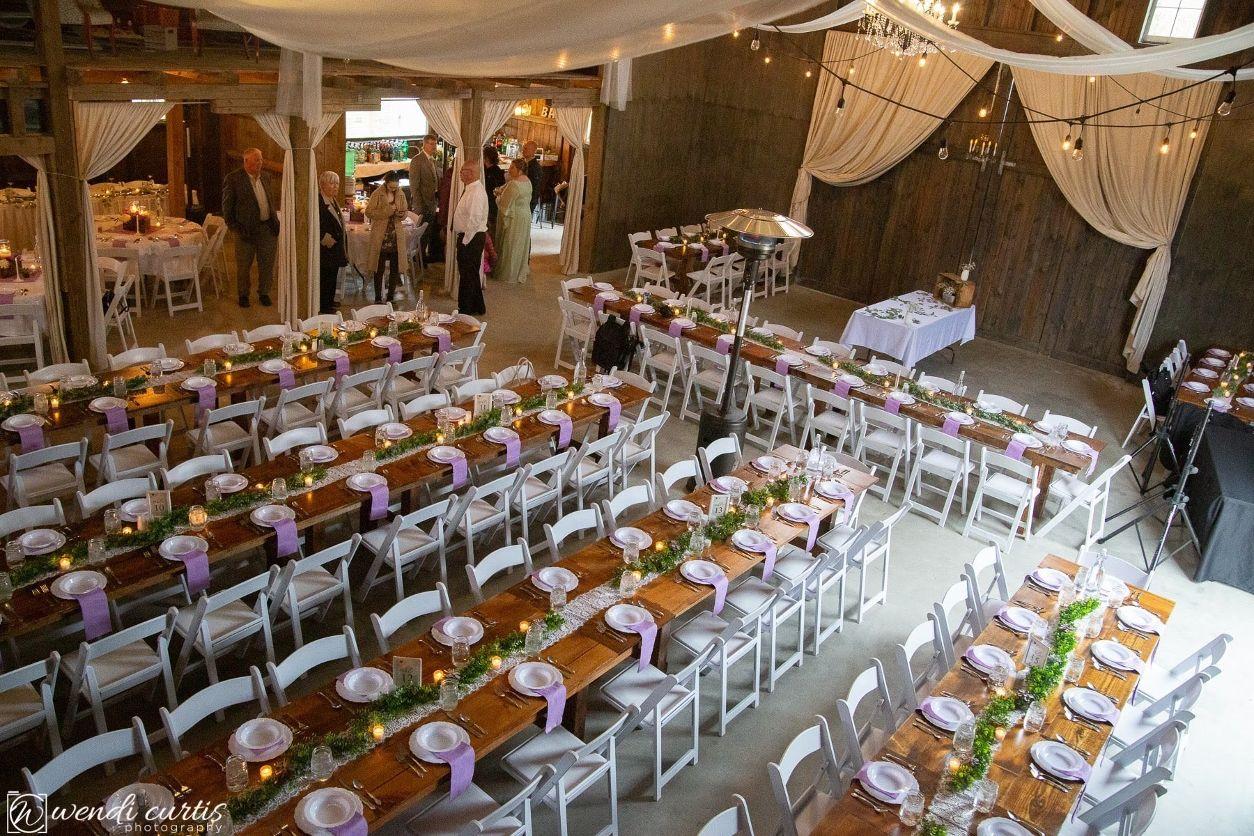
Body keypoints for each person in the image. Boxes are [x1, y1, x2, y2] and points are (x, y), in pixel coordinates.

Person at [222, 147, 279, 308]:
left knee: (267, 263)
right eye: (256, 160)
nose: (260, 163)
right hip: (245, 231)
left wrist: (274, 222)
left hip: (267, 228)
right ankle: (243, 294)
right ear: (246, 161)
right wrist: (235, 227)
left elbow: (269, 201)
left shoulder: (266, 177)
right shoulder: (234, 179)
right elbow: (227, 207)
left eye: (261, 159)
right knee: (244, 265)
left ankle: (264, 292)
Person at [364, 171, 408, 303]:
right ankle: (378, 296)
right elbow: (369, 212)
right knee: (379, 267)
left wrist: (402, 215)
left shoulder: (401, 193)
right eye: (391, 187)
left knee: (395, 267)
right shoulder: (377, 194)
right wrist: (388, 211)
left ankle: (390, 296)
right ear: (386, 184)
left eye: (395, 187)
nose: (393, 189)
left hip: (396, 235)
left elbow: (405, 211)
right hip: (381, 236)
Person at [452, 160, 488, 316]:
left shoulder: (476, 192)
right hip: (470, 237)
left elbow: (475, 219)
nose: (460, 173)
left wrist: (465, 241)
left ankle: (465, 310)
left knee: (467, 275)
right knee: (471, 274)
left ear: (471, 173)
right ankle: (478, 306)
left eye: (463, 171)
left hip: (472, 238)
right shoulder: (471, 188)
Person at [493, 159, 532, 285]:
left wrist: (498, 196)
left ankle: (510, 273)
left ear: (519, 170)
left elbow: (505, 204)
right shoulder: (528, 181)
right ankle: (519, 269)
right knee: (520, 243)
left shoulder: (514, 184)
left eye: (512, 167)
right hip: (525, 216)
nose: (509, 170)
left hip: (515, 217)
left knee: (511, 244)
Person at [316, 171, 347, 315]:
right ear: (322, 185)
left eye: (337, 184)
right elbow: (316, 223)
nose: (335, 187)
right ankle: (324, 304)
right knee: (326, 276)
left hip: (335, 247)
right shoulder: (319, 202)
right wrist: (325, 239)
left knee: (333, 274)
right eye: (332, 183)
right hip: (326, 248)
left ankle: (330, 300)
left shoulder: (332, 200)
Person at [408, 134, 440, 262]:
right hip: (422, 203)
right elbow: (414, 185)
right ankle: (417, 257)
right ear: (424, 144)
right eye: (431, 144)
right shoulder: (417, 160)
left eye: (435, 144)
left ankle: (421, 256)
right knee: (420, 232)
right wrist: (419, 205)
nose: (434, 147)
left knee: (428, 231)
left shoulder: (432, 160)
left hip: (432, 202)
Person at [482, 145, 506, 239]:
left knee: (490, 232)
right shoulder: (497, 171)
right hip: (491, 205)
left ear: (486, 158)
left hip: (491, 206)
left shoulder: (493, 173)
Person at [522, 140, 543, 215]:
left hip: (528, 200)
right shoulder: (523, 163)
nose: (523, 150)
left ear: (533, 151)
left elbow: (534, 189)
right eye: (523, 148)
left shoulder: (535, 168)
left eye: (526, 148)